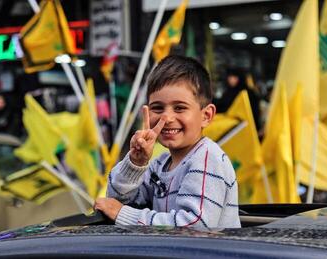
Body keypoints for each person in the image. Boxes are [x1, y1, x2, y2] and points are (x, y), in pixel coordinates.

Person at [95, 55, 241, 228]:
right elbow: (117, 201)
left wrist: (123, 214)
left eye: (179, 108)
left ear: (206, 116)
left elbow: (195, 226)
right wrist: (135, 163)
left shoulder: (208, 158)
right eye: (158, 108)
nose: (167, 117)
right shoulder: (159, 164)